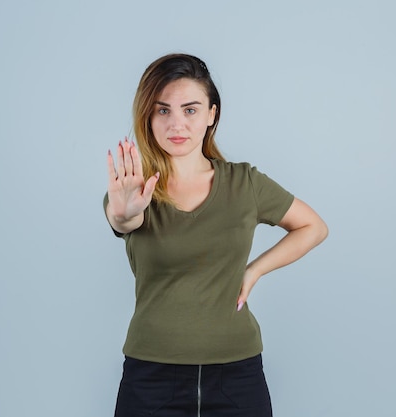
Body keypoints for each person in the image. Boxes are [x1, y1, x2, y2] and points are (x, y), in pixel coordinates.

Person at [104, 53, 328, 417]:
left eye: (190, 110)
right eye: (163, 111)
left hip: (237, 375)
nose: (177, 123)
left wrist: (253, 271)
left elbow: (314, 227)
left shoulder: (245, 183)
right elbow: (122, 220)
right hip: (150, 376)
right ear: (148, 116)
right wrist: (124, 213)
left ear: (211, 114)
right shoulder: (132, 191)